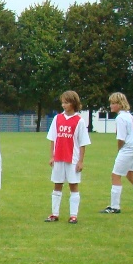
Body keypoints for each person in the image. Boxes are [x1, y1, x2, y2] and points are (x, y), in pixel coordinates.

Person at [44, 91, 91, 224]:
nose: (64, 105)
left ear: (74, 103)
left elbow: (83, 143)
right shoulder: (57, 118)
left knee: (73, 185)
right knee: (57, 184)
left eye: (67, 102)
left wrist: (81, 161)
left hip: (73, 159)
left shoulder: (79, 121)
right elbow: (53, 139)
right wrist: (51, 156)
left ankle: (73, 215)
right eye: (63, 102)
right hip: (58, 158)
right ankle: (54, 214)